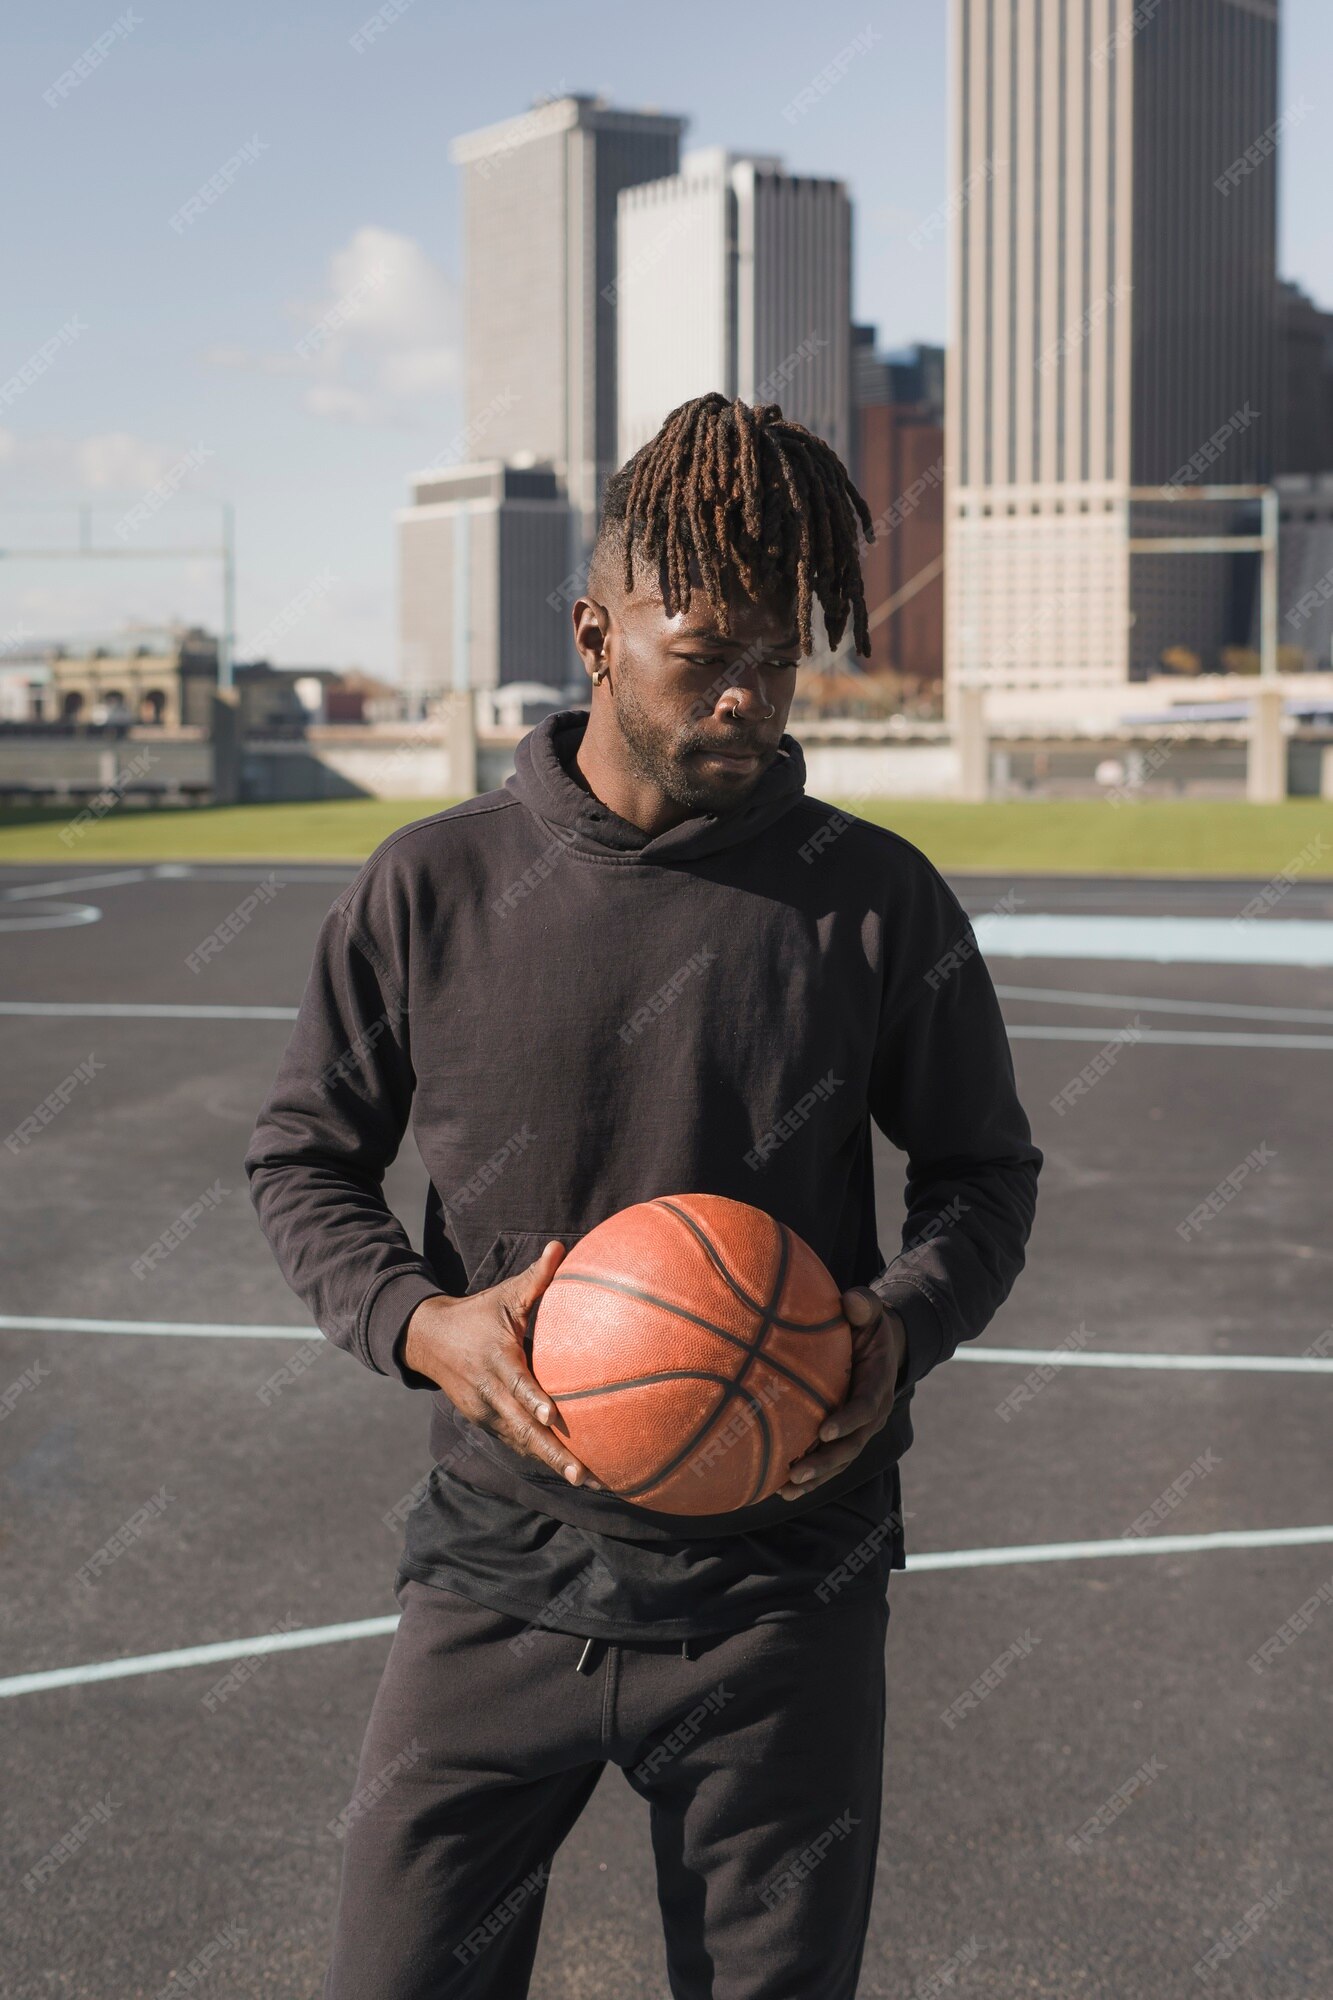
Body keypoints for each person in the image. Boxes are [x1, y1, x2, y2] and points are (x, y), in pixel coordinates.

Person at [245, 391, 1042, 1999]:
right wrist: (419, 1325)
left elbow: (981, 1176)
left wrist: (898, 1326)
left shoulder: (872, 901)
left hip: (781, 1601)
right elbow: (301, 1160)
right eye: (703, 655)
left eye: (779, 657)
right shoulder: (433, 886)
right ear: (596, 634)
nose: (748, 695)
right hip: (496, 1574)